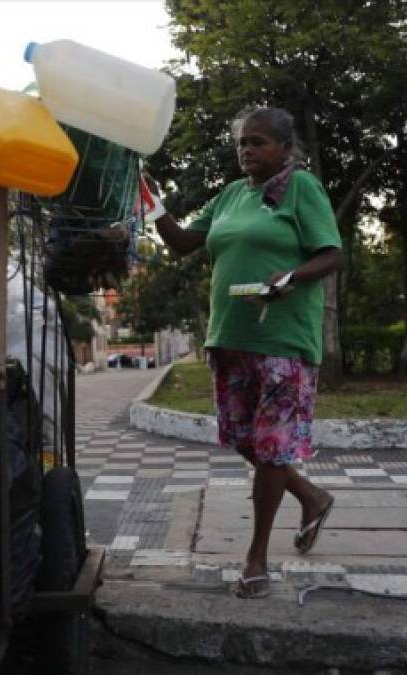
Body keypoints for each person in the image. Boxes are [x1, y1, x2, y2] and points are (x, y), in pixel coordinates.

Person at [148, 106, 342, 599]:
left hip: (282, 339)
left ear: (283, 147)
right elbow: (183, 243)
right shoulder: (232, 194)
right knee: (242, 438)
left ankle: (256, 559)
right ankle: (311, 495)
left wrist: (291, 278)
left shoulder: (302, 188)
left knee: (272, 446)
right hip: (230, 335)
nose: (246, 150)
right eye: (241, 143)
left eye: (257, 142)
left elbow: (332, 252)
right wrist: (150, 202)